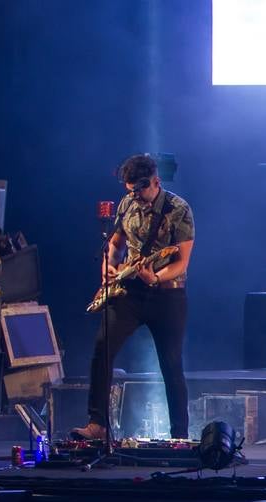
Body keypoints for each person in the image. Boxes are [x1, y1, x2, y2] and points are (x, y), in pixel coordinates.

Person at [72, 153, 195, 441]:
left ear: (156, 181)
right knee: (102, 348)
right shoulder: (127, 203)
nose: (136, 197)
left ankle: (179, 434)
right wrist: (108, 266)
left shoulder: (178, 209)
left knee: (171, 364)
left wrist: (157, 277)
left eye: (140, 191)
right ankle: (97, 424)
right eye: (131, 191)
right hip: (130, 291)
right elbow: (116, 244)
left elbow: (181, 262)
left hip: (167, 295)